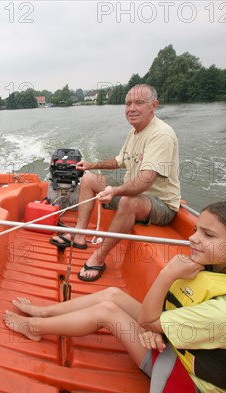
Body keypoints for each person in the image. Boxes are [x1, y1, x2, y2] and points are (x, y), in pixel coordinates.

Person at [5, 201, 226, 393]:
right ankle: (44, 313)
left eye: (207, 235)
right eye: (197, 229)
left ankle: (34, 328)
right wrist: (154, 330)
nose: (192, 238)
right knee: (113, 294)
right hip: (178, 345)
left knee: (107, 312)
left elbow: (148, 320)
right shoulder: (222, 266)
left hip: (192, 385)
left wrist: (167, 277)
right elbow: (158, 318)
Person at [50, 84, 180, 281]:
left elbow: (146, 179)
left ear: (154, 106)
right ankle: (79, 235)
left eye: (139, 103)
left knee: (129, 201)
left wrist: (116, 190)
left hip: (161, 204)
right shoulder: (134, 133)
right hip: (135, 195)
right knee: (88, 179)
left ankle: (99, 257)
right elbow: (119, 161)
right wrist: (91, 165)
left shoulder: (161, 134)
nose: (132, 108)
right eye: (128, 103)